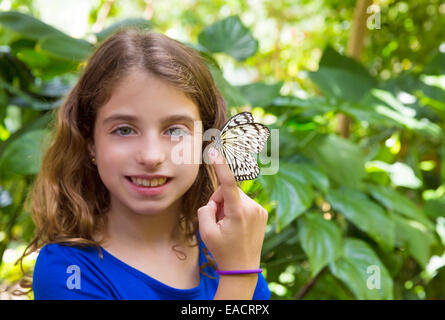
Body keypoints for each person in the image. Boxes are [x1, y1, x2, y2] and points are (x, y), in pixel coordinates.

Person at [16, 28, 271, 300]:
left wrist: (237, 265)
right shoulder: (69, 270)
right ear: (90, 142)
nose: (151, 156)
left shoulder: (223, 246)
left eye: (175, 130)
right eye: (124, 130)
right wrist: (238, 277)